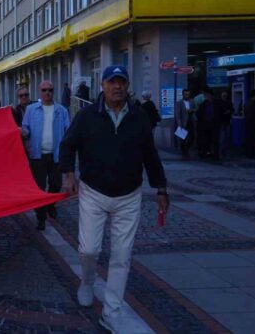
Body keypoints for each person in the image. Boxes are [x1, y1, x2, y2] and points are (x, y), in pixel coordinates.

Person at [60, 65, 168, 333]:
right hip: (94, 192)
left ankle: (112, 311)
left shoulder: (139, 117)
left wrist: (161, 188)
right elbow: (68, 144)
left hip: (129, 195)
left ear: (127, 86)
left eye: (122, 82)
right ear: (103, 86)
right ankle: (87, 281)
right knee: (88, 250)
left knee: (121, 255)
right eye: (112, 82)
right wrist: (68, 175)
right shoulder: (86, 116)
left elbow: (150, 155)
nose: (117, 87)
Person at [21, 81, 70, 230]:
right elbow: (25, 127)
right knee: (39, 188)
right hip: (38, 155)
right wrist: (24, 133)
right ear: (39, 92)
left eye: (50, 90)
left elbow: (68, 131)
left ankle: (50, 204)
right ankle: (40, 217)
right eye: (44, 90)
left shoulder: (61, 111)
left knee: (56, 184)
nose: (47, 92)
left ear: (53, 91)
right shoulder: (31, 109)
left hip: (55, 156)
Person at [196, 88, 223, 160]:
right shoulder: (203, 104)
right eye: (205, 95)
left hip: (215, 125)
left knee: (215, 140)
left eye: (206, 95)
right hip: (206, 125)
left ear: (210, 95)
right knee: (206, 140)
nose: (205, 96)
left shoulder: (217, 103)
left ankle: (215, 155)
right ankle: (207, 153)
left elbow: (221, 113)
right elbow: (199, 114)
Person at [175, 89, 197, 159]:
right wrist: (179, 123)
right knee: (182, 139)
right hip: (183, 122)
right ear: (183, 95)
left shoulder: (192, 101)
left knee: (192, 137)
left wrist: (192, 110)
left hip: (190, 121)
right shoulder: (179, 103)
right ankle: (184, 153)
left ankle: (186, 150)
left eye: (188, 94)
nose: (187, 95)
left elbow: (196, 108)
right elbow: (177, 114)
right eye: (186, 94)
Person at [219, 91, 234, 158]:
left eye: (225, 96)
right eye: (223, 96)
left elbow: (232, 110)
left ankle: (224, 150)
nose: (224, 97)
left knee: (227, 136)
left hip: (227, 121)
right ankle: (222, 150)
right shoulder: (219, 103)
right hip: (222, 122)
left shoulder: (229, 103)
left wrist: (229, 111)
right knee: (222, 137)